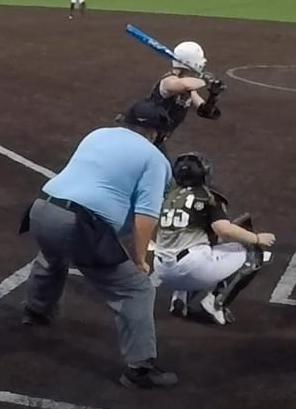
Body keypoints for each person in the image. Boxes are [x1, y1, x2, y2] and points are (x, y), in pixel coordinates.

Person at [19, 101, 178, 389]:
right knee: (136, 289)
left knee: (53, 256)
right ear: (157, 132)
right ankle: (140, 369)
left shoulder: (98, 134)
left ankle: (35, 311)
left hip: (40, 210)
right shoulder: (155, 159)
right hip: (78, 224)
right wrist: (140, 259)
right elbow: (146, 215)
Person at [153, 153, 276, 325]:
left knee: (201, 246)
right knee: (252, 253)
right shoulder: (207, 197)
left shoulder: (167, 197)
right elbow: (223, 230)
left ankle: (180, 297)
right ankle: (215, 302)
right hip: (192, 268)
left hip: (161, 269)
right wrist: (256, 238)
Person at [145, 40, 222, 150]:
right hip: (144, 139)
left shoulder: (188, 89)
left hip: (156, 140)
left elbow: (206, 112)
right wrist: (205, 80)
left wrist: (213, 96)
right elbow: (184, 85)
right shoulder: (169, 81)